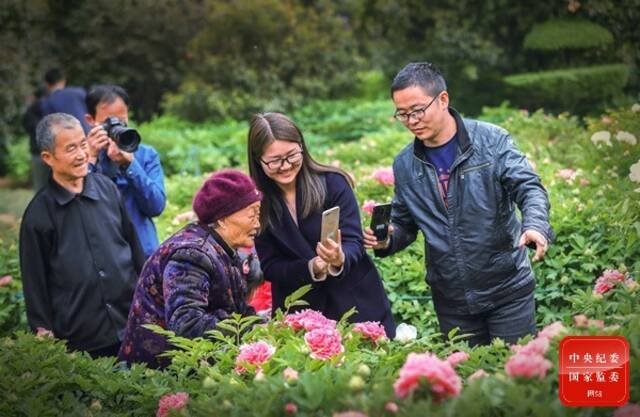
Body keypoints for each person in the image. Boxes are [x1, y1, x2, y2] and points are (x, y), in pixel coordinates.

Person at [364, 62, 554, 346]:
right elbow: (405, 223)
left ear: (443, 99)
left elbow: (528, 187)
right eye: (402, 114)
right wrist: (388, 239)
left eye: (417, 110)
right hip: (451, 300)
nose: (411, 120)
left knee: (520, 378)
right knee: (469, 381)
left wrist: (535, 224)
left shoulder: (492, 140)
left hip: (507, 290)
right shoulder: (405, 164)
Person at [248, 112, 396, 338]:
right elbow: (270, 266)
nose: (286, 166)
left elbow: (354, 241)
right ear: (258, 160)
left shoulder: (332, 183)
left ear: (302, 148)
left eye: (291, 155)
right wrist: (311, 267)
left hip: (357, 303)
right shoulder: (258, 202)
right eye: (275, 161)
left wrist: (340, 257)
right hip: (300, 309)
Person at [19, 113, 145, 358]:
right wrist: (43, 333)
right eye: (70, 148)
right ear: (48, 157)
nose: (81, 155)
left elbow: (134, 247)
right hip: (82, 339)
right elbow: (35, 284)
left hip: (130, 324)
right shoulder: (38, 215)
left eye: (83, 144)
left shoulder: (108, 189)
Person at [118, 169, 262, 368]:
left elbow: (235, 308)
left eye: (258, 214)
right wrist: (248, 328)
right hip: (158, 374)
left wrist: (263, 325)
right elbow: (187, 325)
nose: (258, 224)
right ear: (223, 218)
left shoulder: (223, 247)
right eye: (252, 215)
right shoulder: (191, 255)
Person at [85, 84, 166, 259]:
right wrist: (91, 158)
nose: (117, 127)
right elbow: (79, 207)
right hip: (103, 256)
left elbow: (156, 206)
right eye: (109, 122)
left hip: (143, 252)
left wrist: (131, 166)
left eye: (122, 120)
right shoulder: (82, 157)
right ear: (91, 120)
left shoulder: (145, 155)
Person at [40, 68, 91, 133]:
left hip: (68, 139)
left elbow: (50, 127)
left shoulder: (47, 103)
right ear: (63, 80)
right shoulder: (79, 92)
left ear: (47, 84)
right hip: (88, 134)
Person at [21, 86, 49, 190]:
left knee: (39, 186)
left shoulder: (30, 111)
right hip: (54, 151)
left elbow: (26, 126)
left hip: (37, 152)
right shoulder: (52, 106)